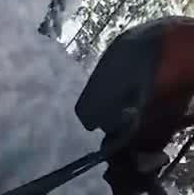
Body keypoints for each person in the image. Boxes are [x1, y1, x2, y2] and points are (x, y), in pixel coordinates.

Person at [78, 16, 194, 194]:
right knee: (139, 160)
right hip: (141, 72)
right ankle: (134, 165)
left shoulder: (183, 27)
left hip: (110, 86)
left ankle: (133, 163)